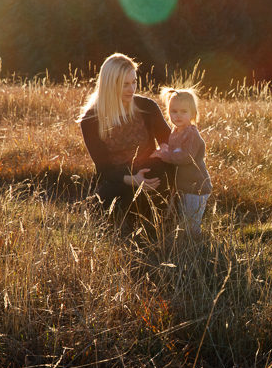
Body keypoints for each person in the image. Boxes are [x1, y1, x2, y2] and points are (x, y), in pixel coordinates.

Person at [78, 53, 174, 213]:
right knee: (108, 207)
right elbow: (104, 168)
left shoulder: (147, 107)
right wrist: (134, 180)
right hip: (117, 180)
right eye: (125, 84)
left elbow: (169, 140)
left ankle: (165, 215)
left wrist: (164, 149)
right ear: (109, 85)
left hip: (149, 172)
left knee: (166, 172)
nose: (132, 89)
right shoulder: (91, 120)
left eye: (134, 82)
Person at [153, 88, 212, 236]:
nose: (178, 115)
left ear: (193, 114)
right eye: (174, 111)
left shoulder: (191, 134)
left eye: (183, 111)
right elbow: (173, 151)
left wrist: (165, 156)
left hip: (196, 187)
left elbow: (186, 157)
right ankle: (182, 242)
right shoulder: (175, 131)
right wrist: (162, 151)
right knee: (182, 219)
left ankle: (197, 248)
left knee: (192, 224)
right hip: (183, 187)